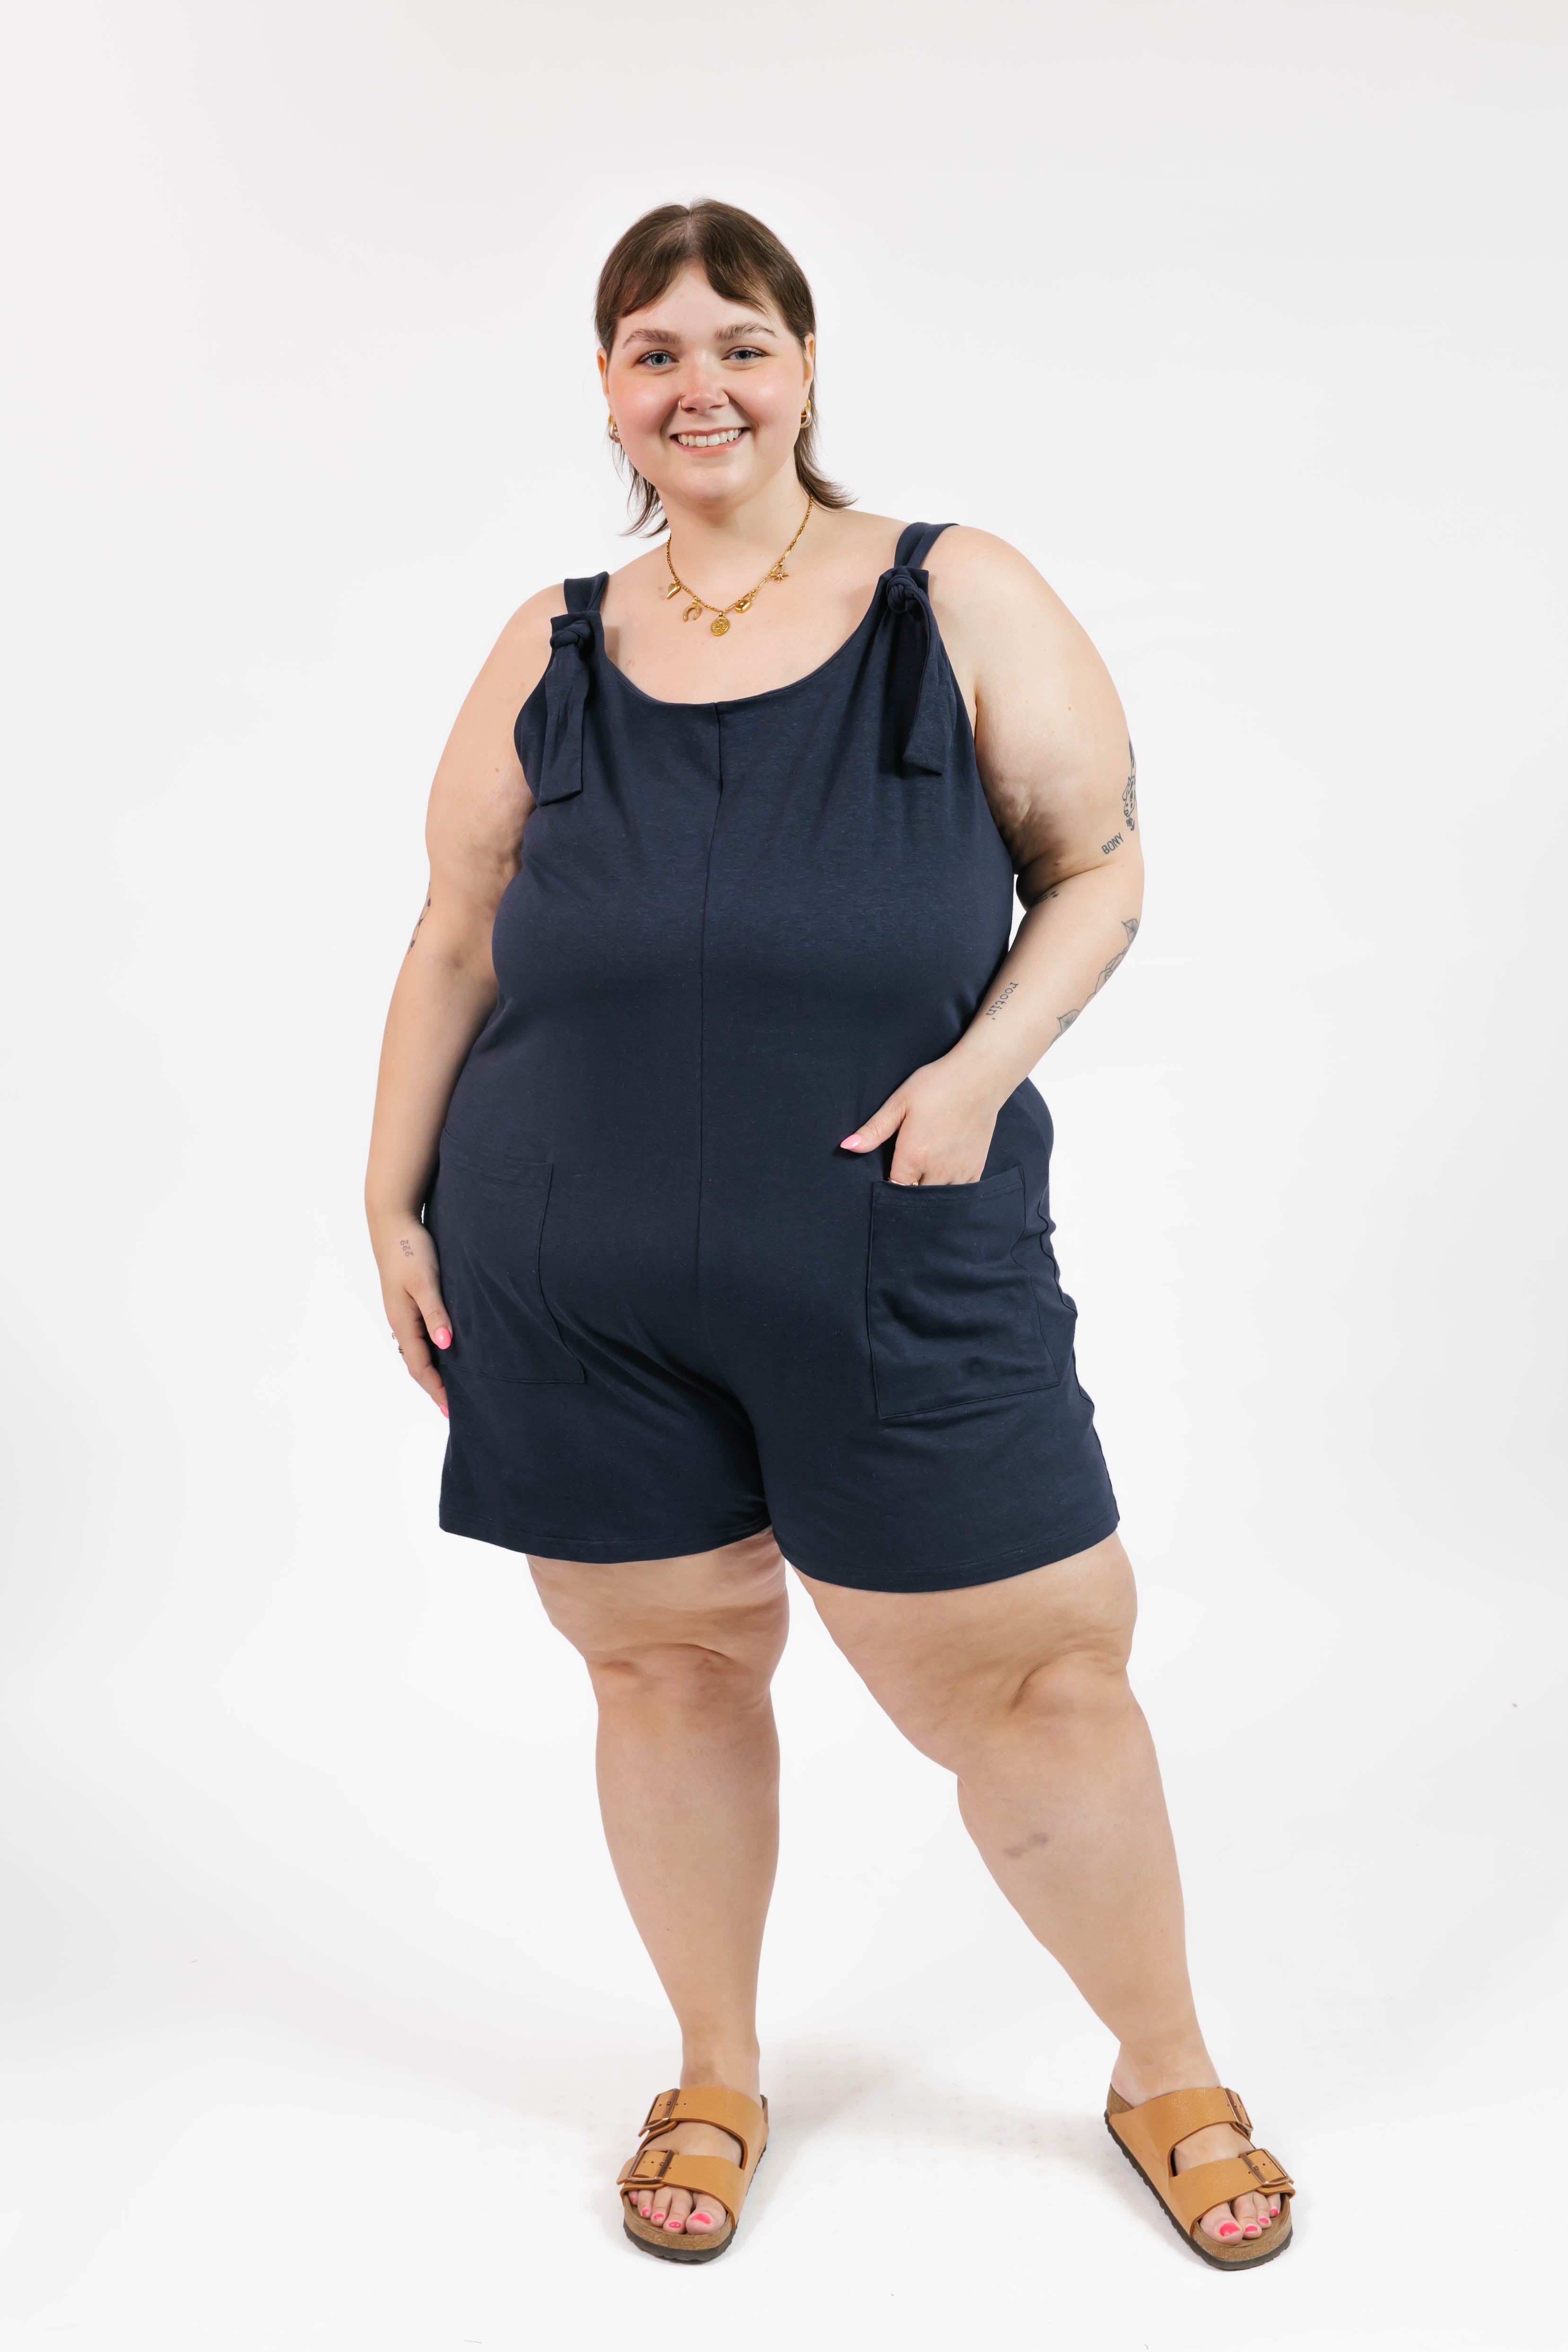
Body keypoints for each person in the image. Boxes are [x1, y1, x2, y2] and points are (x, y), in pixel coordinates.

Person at [364, 199, 1295, 2271]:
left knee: (1045, 1686)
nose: (697, 385)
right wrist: (386, 1197)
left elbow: (1096, 865)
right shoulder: (551, 638)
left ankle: (1164, 2067)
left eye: (739, 343)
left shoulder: (953, 592)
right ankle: (714, 2066)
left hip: (896, 1242)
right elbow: (454, 931)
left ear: (801, 368)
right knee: (664, 1668)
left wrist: (974, 1075)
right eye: (653, 350)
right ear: (607, 386)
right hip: (569, 1265)